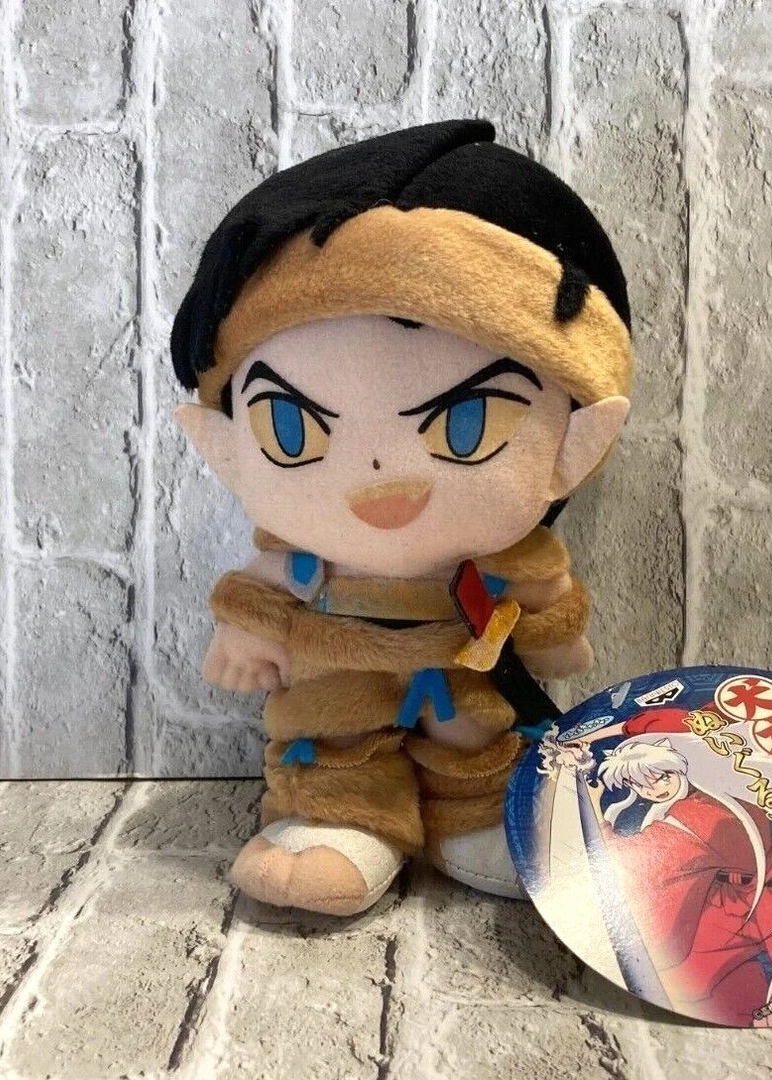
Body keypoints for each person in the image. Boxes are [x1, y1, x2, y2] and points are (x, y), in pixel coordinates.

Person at [170, 119, 634, 915]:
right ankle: (336, 818)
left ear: (577, 442)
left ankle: (476, 818)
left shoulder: (506, 558)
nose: (381, 476)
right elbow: (262, 588)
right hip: (335, 679)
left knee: (479, 741)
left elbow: (543, 592)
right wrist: (244, 634)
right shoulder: (303, 557)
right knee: (334, 739)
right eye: (293, 427)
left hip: (465, 675)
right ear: (225, 444)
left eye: (467, 423)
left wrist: (552, 635)